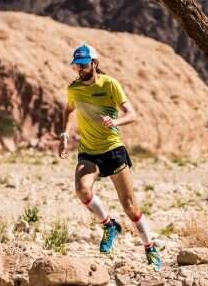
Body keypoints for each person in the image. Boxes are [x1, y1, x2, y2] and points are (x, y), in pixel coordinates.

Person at [58, 43, 162, 270]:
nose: (79, 69)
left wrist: (115, 122)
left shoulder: (110, 84)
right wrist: (64, 135)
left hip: (113, 150)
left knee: (130, 207)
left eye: (83, 65)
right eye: (76, 65)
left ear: (94, 63)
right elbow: (68, 110)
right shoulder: (74, 89)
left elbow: (133, 115)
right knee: (82, 189)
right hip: (89, 151)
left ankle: (150, 247)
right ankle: (109, 225)